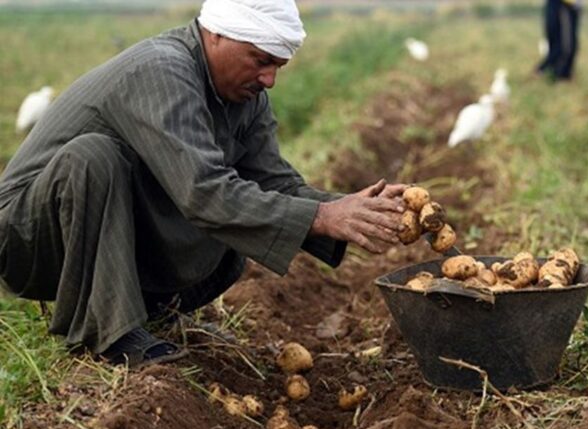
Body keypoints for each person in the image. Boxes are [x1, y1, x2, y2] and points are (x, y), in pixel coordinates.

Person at [0, 0, 407, 367]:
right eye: (260, 60)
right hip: (28, 236)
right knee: (95, 156)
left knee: (241, 227)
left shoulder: (246, 99)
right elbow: (204, 192)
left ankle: (156, 314)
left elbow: (273, 182)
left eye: (278, 66)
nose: (269, 80)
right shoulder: (162, 70)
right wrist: (322, 216)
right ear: (216, 35)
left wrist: (353, 207)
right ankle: (109, 335)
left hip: (93, 224)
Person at [535, 0, 581, 81]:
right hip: (558, 3)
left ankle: (560, 74)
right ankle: (548, 70)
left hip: (568, 4)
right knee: (556, 39)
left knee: (565, 44)